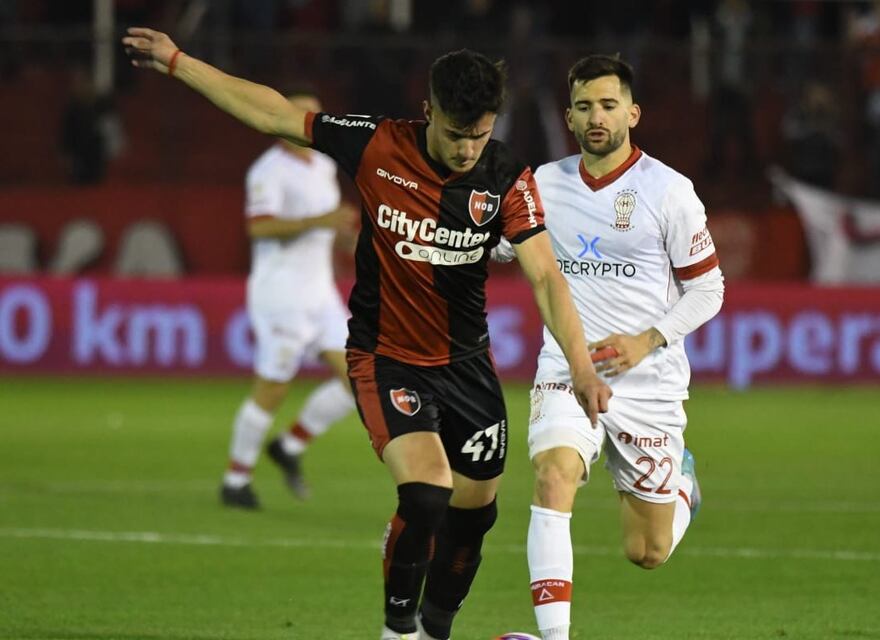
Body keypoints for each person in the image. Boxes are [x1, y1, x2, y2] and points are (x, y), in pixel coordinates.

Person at [121, 28, 611, 640]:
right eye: (456, 134)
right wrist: (177, 61)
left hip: (467, 365)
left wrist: (582, 367)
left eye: (480, 134)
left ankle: (434, 629)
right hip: (386, 357)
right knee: (426, 492)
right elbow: (275, 114)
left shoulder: (506, 176)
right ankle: (397, 630)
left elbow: (545, 276)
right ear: (429, 111)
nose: (467, 149)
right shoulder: (378, 144)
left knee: (474, 514)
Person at [499, 54, 725, 640]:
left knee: (646, 551)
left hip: (648, 380)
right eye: (583, 106)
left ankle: (683, 487)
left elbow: (709, 289)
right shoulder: (542, 185)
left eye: (607, 105)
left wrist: (646, 341)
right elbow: (498, 245)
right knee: (554, 476)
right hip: (567, 366)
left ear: (632, 113)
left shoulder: (669, 192)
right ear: (569, 118)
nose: (595, 117)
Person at [220, 87, 358, 510]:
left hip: (320, 292)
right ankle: (235, 479)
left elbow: (325, 226)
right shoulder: (268, 171)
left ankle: (290, 445)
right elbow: (258, 227)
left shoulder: (323, 164)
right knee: (274, 387)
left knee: (361, 378)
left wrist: (347, 237)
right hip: (280, 294)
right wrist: (323, 219)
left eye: (316, 116)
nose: (312, 124)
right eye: (304, 116)